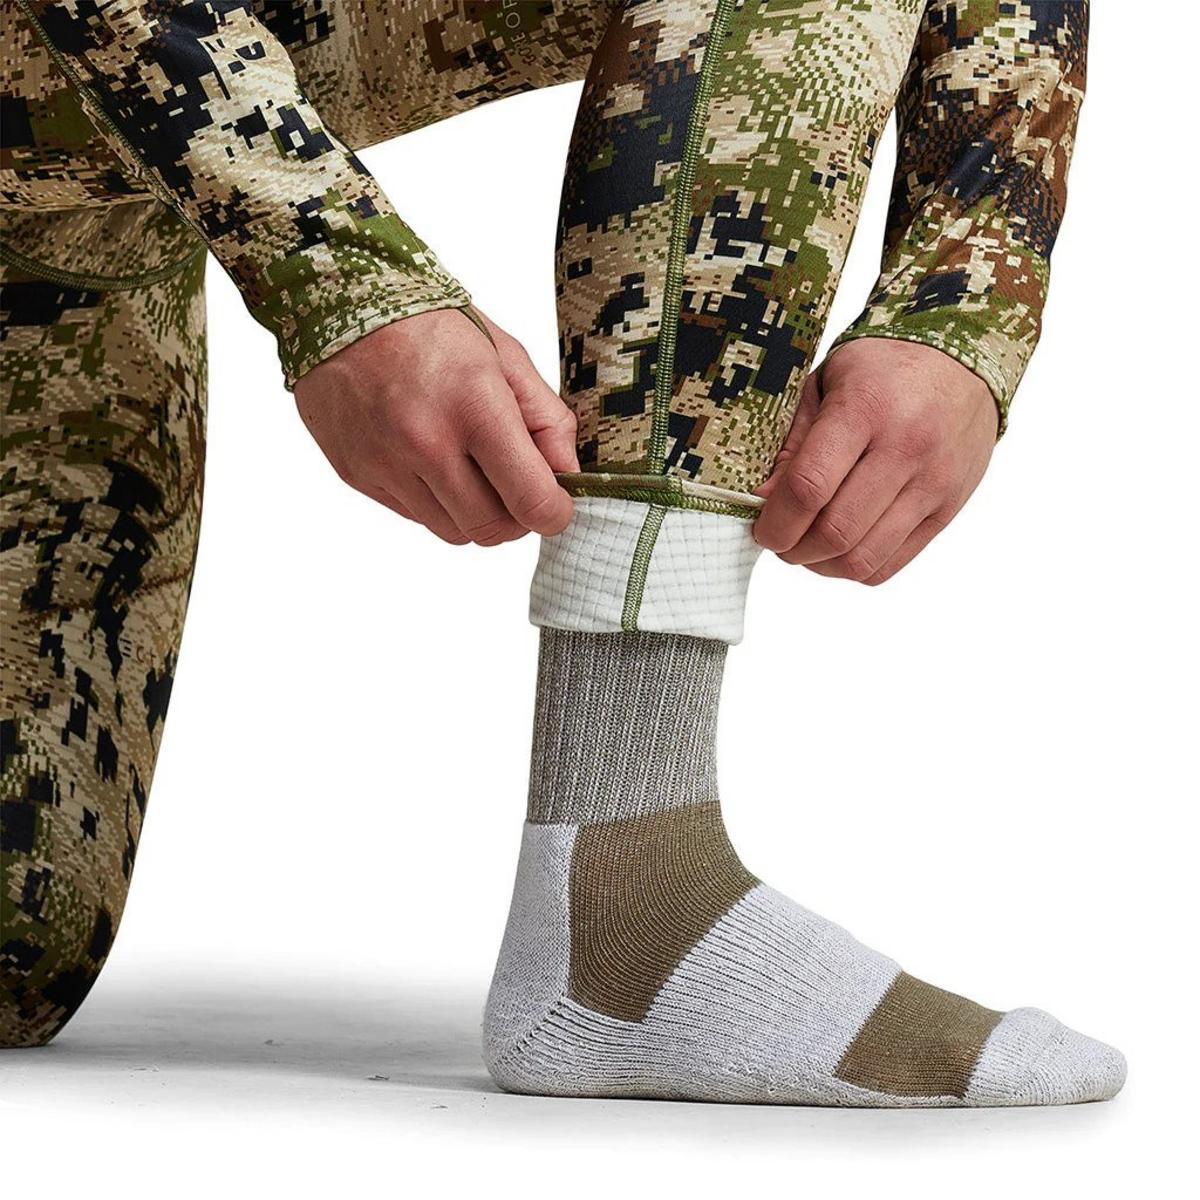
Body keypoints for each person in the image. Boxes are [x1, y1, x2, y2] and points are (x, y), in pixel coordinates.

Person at [0, 0, 1121, 1106]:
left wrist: (963, 302)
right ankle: (626, 903)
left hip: (92, 188)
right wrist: (336, 273)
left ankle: (625, 880)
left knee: (16, 956)